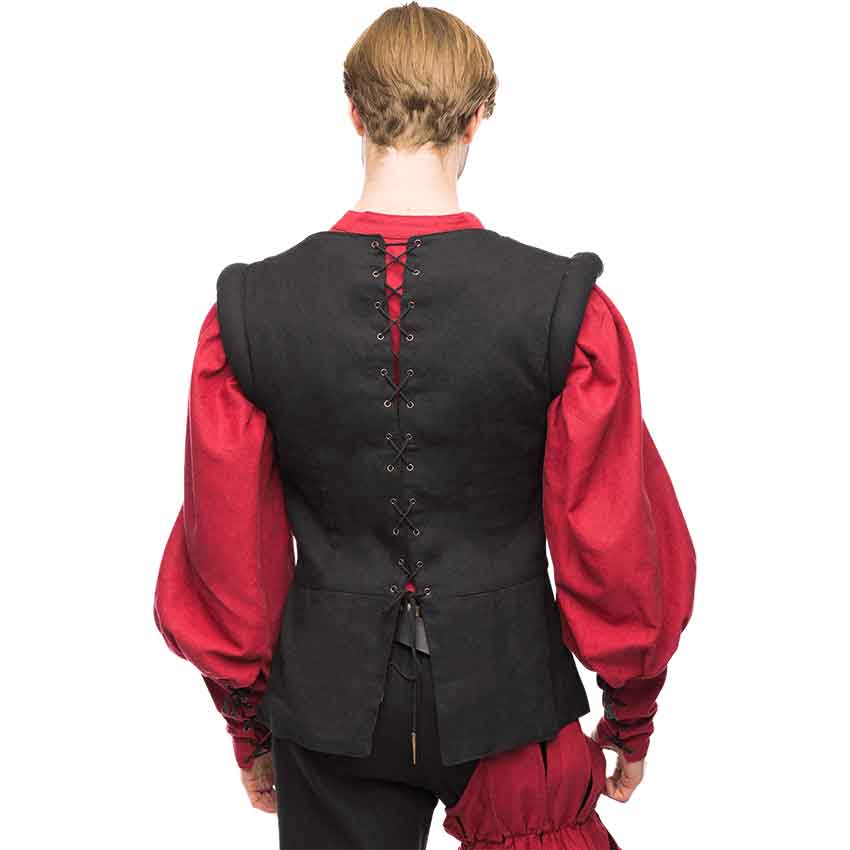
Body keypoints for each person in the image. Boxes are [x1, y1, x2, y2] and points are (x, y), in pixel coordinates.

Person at [153, 3, 696, 848]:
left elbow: (228, 553)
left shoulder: (249, 313)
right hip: (512, 695)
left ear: (354, 114)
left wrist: (249, 727)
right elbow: (614, 537)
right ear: (479, 116)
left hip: (329, 711)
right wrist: (632, 709)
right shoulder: (563, 309)